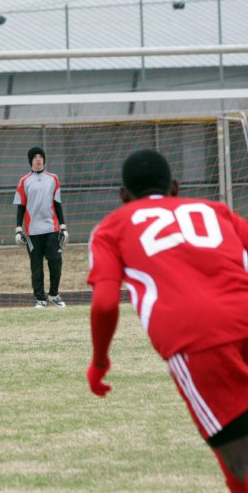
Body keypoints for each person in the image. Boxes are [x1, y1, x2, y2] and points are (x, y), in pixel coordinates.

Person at [87, 149, 248, 491]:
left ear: (123, 195)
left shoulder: (111, 227)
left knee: (240, 459)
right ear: (175, 187)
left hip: (199, 339)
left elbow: (104, 303)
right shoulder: (216, 210)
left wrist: (99, 361)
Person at [13, 146, 69, 308]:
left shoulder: (53, 179)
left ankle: (54, 295)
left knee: (56, 262)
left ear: (44, 159)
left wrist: (63, 226)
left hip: (52, 229)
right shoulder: (24, 181)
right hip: (33, 231)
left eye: (40, 156)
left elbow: (57, 203)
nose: (38, 159)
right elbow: (21, 207)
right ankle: (40, 299)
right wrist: (18, 229)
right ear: (30, 161)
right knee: (36, 266)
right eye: (35, 157)